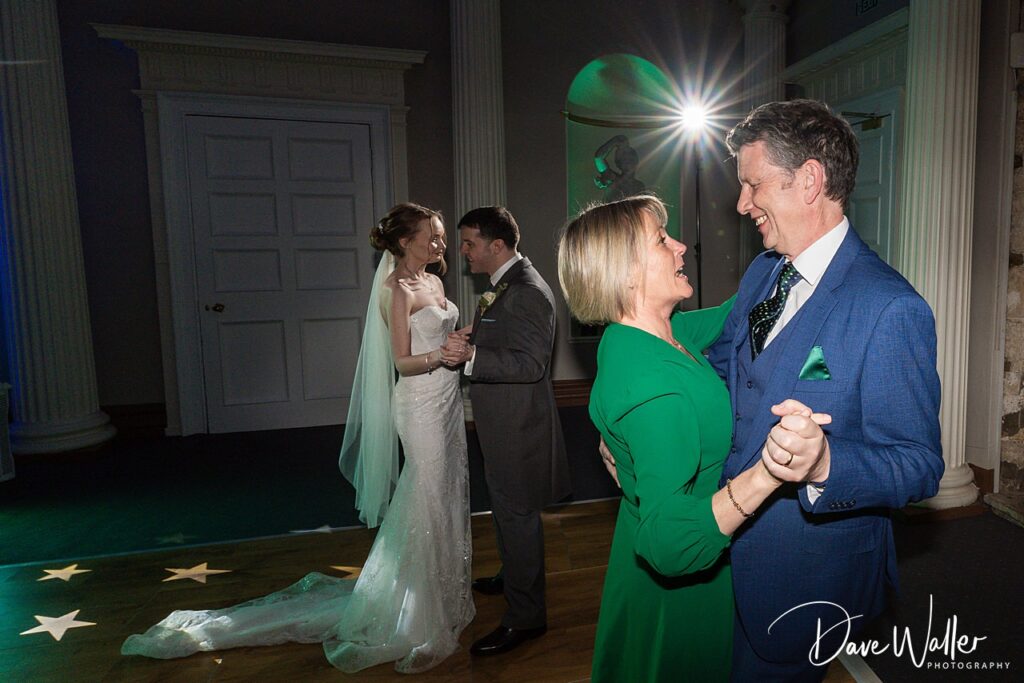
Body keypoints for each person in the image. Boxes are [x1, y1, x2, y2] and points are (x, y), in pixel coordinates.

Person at [121, 203, 475, 674]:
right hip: (420, 404)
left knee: (447, 494)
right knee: (426, 498)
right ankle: (414, 615)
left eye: (441, 237)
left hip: (447, 402)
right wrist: (442, 357)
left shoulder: (435, 280)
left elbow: (441, 335)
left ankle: (444, 597)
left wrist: (462, 340)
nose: (440, 244)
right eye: (431, 236)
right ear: (404, 241)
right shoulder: (395, 289)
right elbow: (403, 362)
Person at [560, 195, 829, 682]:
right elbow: (668, 542)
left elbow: (738, 310)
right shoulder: (653, 385)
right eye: (662, 240)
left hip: (654, 550)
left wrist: (800, 253)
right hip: (683, 573)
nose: (681, 245)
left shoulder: (653, 333)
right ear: (624, 274)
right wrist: (768, 473)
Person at [440, 206, 571, 656]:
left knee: (517, 517)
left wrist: (470, 358)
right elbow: (504, 338)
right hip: (501, 425)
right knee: (505, 512)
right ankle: (512, 574)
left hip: (518, 429)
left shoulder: (528, 291)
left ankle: (526, 617)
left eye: (469, 243)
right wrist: (472, 338)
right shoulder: (504, 287)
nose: (463, 252)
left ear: (497, 246)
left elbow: (530, 364)